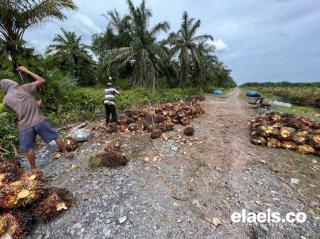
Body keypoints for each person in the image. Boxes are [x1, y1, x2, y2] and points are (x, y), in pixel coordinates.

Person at [0, 66, 70, 170]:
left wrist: (35, 104)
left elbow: (19, 109)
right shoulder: (23, 88)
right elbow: (42, 80)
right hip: (39, 120)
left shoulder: (6, 100)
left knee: (29, 148)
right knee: (55, 136)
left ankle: (34, 169)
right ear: (12, 82)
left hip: (25, 126)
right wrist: (26, 70)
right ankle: (66, 153)